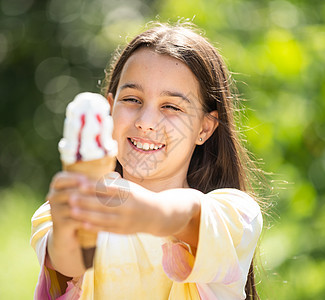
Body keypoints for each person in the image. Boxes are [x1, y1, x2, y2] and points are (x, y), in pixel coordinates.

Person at [31, 22, 264, 300]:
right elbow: (69, 261)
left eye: (171, 106)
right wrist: (71, 221)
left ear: (204, 128)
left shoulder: (236, 215)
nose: (146, 122)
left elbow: (188, 214)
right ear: (109, 110)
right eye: (132, 99)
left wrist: (144, 210)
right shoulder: (59, 211)